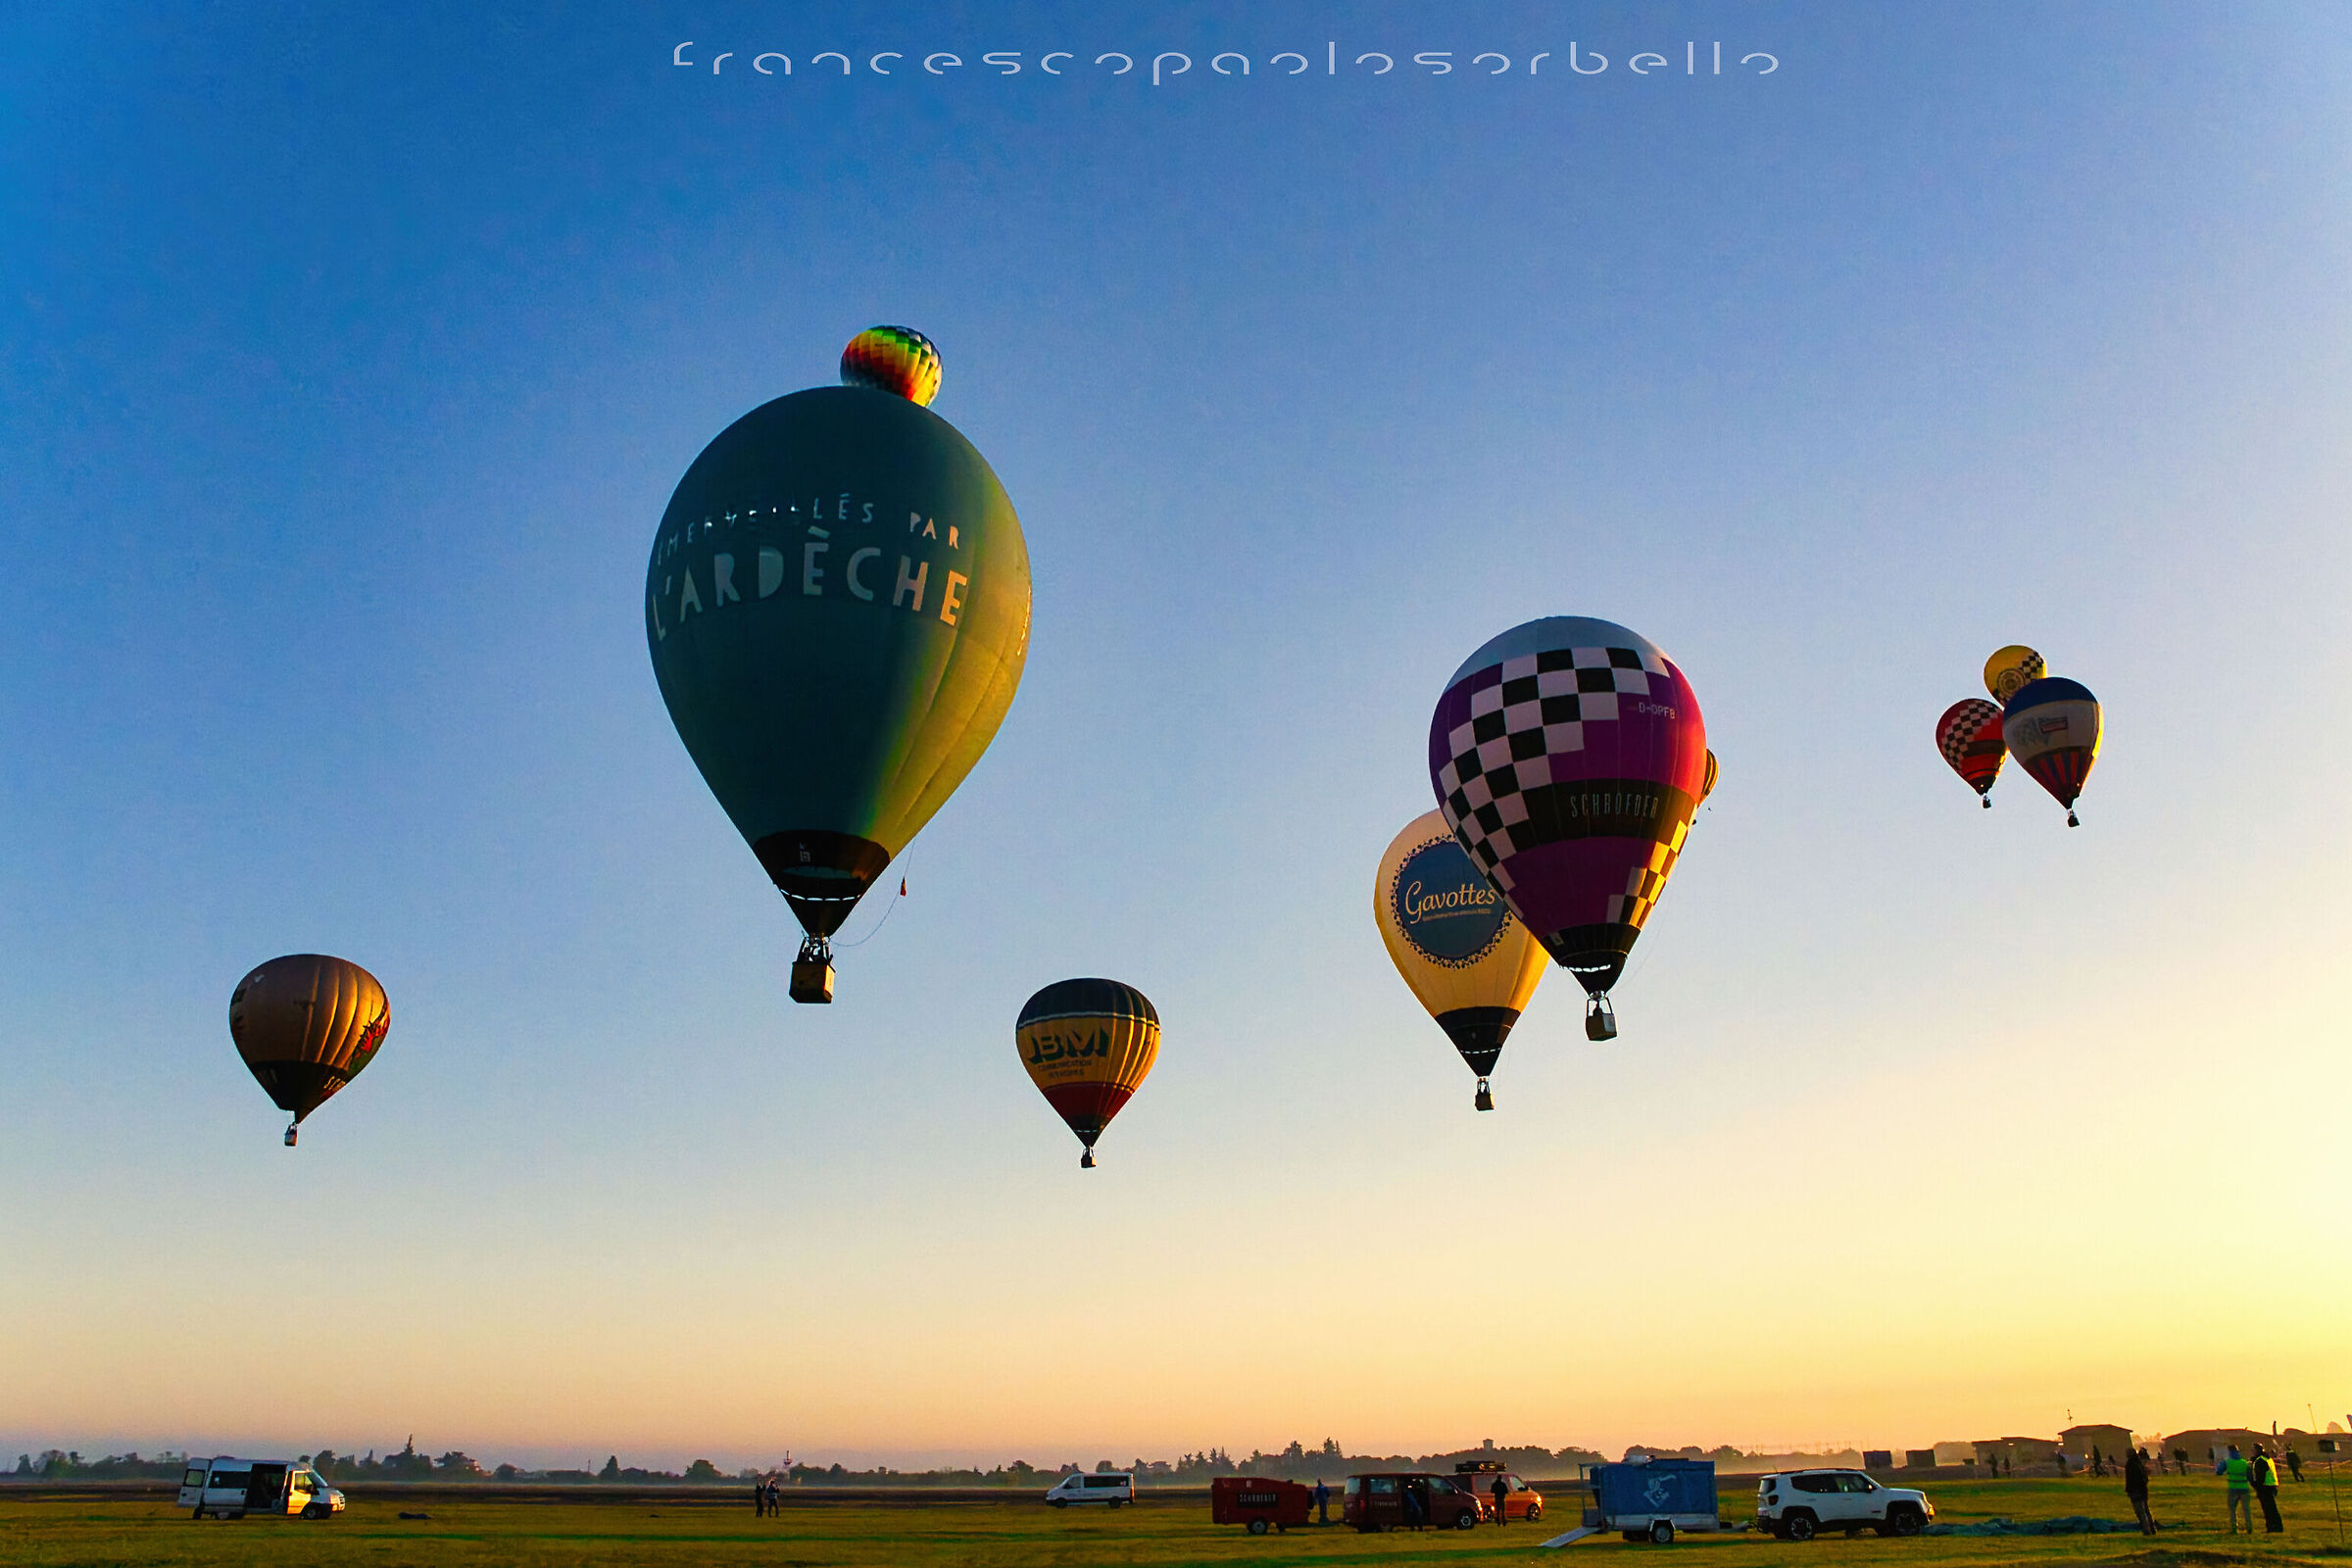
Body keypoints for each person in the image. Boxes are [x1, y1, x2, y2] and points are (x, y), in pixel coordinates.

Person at [2223, 1446, 2253, 1533]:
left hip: (2233, 1489)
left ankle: (2234, 1527)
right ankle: (2249, 1527)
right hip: (2244, 1489)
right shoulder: (2245, 1463)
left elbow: (2219, 1471)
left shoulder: (2227, 1462)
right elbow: (2250, 1476)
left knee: (2232, 1510)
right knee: (2246, 1510)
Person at [2252, 1446, 2283, 1533]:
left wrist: (2255, 1484)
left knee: (2268, 1509)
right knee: (2273, 1509)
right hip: (2272, 1485)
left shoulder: (2260, 1461)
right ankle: (2277, 1527)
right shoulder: (2267, 1459)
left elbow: (2260, 1477)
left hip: (2265, 1487)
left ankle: (2272, 1527)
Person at [2126, 1447, 2156, 1536]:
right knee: (2146, 1510)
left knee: (2140, 1512)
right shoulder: (2139, 1463)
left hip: (2135, 1491)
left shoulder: (2131, 1464)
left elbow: (2132, 1479)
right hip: (2142, 1490)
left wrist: (2131, 1489)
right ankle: (2152, 1528)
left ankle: (2146, 1530)